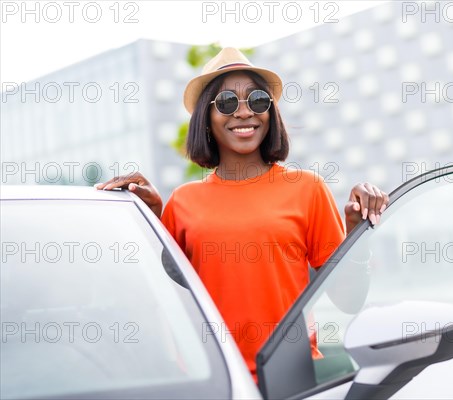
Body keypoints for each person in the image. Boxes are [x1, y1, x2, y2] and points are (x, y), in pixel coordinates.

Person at [95, 47, 389, 380]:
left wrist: (356, 233)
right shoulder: (182, 202)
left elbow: (348, 300)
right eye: (227, 103)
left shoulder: (308, 189)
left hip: (288, 377)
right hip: (212, 380)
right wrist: (148, 221)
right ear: (206, 118)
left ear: (271, 113)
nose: (244, 112)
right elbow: (162, 299)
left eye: (258, 100)